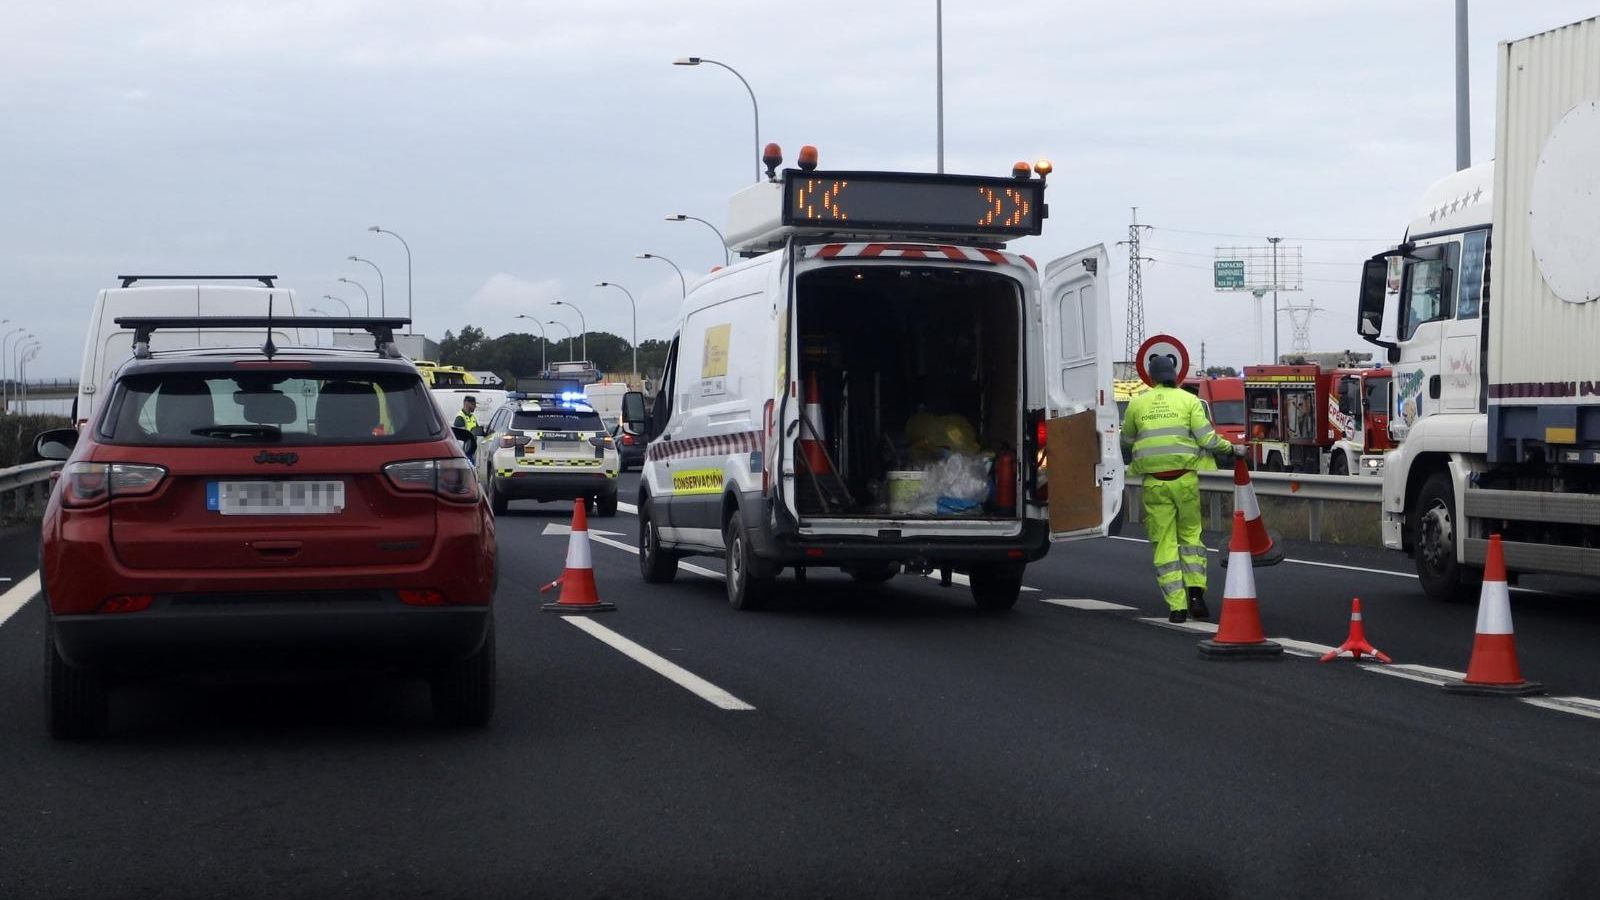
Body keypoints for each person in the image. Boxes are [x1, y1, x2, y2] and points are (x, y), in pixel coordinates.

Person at [1121, 354, 1238, 623]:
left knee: (1164, 544)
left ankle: (1177, 607)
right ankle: (1196, 596)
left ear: (1151, 377)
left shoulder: (1138, 404)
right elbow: (1208, 439)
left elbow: (1126, 439)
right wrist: (1232, 448)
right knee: (1190, 539)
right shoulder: (1189, 401)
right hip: (1185, 480)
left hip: (1155, 483)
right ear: (1174, 375)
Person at [454, 395, 484, 461]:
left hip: (471, 449)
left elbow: (477, 430)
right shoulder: (460, 418)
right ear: (466, 404)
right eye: (473, 404)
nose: (475, 406)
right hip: (465, 451)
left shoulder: (472, 417)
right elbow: (460, 438)